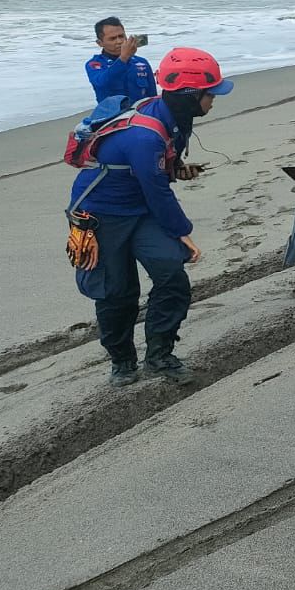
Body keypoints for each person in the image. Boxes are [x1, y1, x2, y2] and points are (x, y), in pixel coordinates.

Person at [68, 47, 232, 385]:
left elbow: (154, 173)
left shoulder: (173, 117)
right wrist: (181, 231)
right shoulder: (145, 135)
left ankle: (159, 355)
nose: (214, 100)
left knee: (172, 276)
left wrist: (177, 168)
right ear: (189, 95)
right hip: (101, 213)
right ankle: (122, 362)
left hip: (140, 208)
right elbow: (156, 188)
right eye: (209, 93)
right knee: (117, 292)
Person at [86, 17, 158, 104]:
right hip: (112, 115)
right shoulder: (95, 64)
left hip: (141, 113)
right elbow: (102, 83)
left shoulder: (141, 62)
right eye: (112, 39)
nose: (119, 41)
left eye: (121, 36)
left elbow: (152, 95)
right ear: (100, 43)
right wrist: (123, 58)